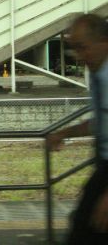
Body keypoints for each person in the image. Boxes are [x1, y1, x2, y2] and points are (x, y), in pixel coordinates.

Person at [47, 13, 108, 244]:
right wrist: (65, 133)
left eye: (83, 48)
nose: (79, 57)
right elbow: (101, 123)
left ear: (104, 42)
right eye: (75, 49)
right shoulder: (98, 75)